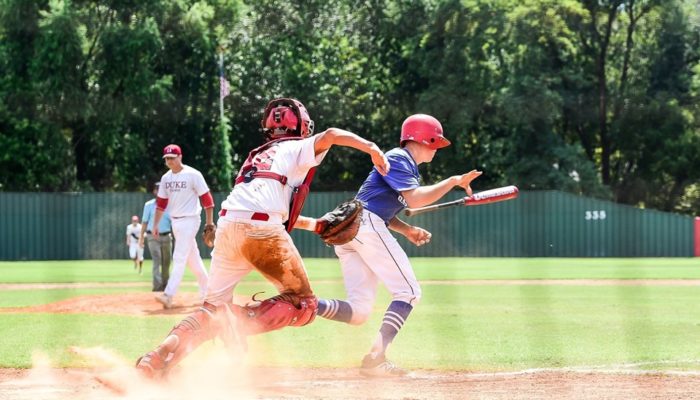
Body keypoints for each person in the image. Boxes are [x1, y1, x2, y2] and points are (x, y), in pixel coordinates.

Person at [135, 97, 390, 379]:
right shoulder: (297, 146)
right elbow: (330, 136)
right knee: (303, 304)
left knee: (211, 309)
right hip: (261, 230)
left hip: (228, 225)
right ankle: (239, 320)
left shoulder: (255, 155)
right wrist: (372, 148)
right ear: (302, 125)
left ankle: (157, 359)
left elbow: (263, 205)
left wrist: (317, 225)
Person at [296, 114, 482, 377]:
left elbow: (383, 208)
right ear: (424, 139)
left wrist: (407, 230)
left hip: (354, 230)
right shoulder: (398, 158)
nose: (437, 149)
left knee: (359, 311)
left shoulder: (402, 163)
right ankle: (376, 358)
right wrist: (452, 181)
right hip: (365, 226)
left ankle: (303, 306)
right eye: (435, 143)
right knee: (408, 292)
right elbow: (415, 200)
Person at [152, 144, 213, 309]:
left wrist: (209, 222)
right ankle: (208, 292)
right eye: (167, 159)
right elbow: (161, 204)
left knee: (179, 257)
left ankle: (168, 295)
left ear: (180, 157)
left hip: (190, 219)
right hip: (175, 222)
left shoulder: (193, 174)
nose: (169, 161)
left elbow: (207, 200)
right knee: (193, 260)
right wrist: (156, 224)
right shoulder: (166, 178)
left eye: (172, 157)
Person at [139, 182, 173, 292]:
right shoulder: (149, 205)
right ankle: (157, 286)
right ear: (154, 191)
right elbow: (144, 222)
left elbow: (174, 221)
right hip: (152, 236)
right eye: (158, 189)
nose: (160, 191)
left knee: (166, 262)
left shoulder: (170, 205)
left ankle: (165, 285)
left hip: (167, 235)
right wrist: (141, 238)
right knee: (157, 258)